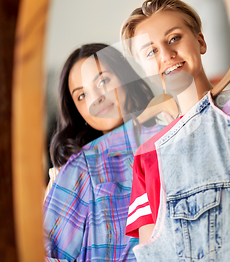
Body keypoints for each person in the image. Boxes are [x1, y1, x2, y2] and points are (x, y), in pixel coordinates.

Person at [121, 0, 230, 261]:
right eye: (151, 51)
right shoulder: (150, 156)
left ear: (200, 41)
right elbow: (153, 249)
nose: (166, 55)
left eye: (174, 38)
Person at [43, 43, 164, 261]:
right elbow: (41, 252)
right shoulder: (82, 168)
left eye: (103, 81)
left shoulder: (169, 138)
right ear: (77, 111)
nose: (97, 97)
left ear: (125, 77)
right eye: (82, 96)